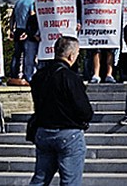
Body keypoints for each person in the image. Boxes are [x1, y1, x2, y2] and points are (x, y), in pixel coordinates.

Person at [28, 36, 92, 186]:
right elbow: (85, 110)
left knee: (40, 179)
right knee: (70, 182)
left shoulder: (39, 76)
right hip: (68, 133)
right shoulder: (70, 77)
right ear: (71, 55)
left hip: (44, 131)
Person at [10, 0, 36, 85]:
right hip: (26, 30)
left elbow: (12, 16)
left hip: (18, 29)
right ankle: (27, 76)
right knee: (27, 55)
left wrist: (11, 29)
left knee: (16, 55)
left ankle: (13, 75)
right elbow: (32, 15)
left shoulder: (18, 2)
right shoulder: (31, 3)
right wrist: (31, 31)